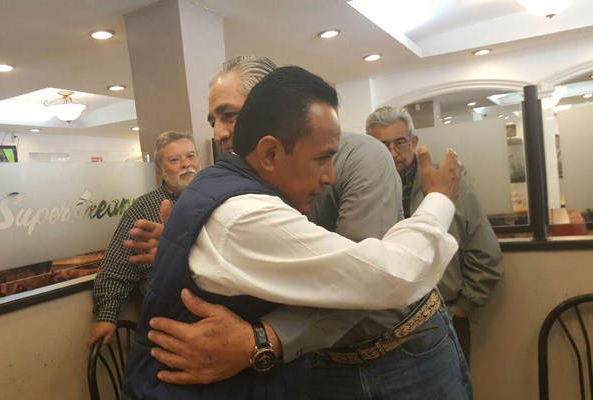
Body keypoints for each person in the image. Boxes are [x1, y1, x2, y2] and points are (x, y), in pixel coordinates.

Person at [121, 65, 464, 399]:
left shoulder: (233, 187)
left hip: (401, 353)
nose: (221, 133)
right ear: (270, 150)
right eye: (215, 120)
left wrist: (262, 338)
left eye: (231, 115)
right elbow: (391, 274)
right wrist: (439, 199)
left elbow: (363, 288)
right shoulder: (246, 210)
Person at [366, 106, 504, 362]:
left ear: (414, 142)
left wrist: (463, 307)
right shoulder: (362, 189)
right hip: (383, 328)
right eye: (382, 145)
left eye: (400, 142)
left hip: (443, 317)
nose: (392, 153)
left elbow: (485, 250)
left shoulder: (446, 183)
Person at [88, 131, 201, 346]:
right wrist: (107, 315)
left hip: (218, 316)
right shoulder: (143, 208)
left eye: (190, 156)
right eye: (174, 160)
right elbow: (116, 268)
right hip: (167, 323)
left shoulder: (219, 199)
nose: (186, 164)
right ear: (159, 169)